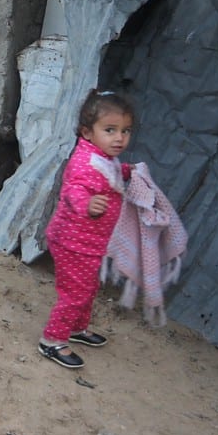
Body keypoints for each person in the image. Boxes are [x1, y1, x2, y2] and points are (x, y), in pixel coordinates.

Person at [38, 89, 135, 369]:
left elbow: (111, 173)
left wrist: (127, 171)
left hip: (90, 242)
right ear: (87, 132)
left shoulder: (104, 157)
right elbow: (73, 190)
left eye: (125, 131)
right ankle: (52, 340)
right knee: (76, 292)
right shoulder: (85, 162)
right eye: (110, 130)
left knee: (89, 286)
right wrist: (87, 203)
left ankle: (77, 328)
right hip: (72, 242)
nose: (119, 138)